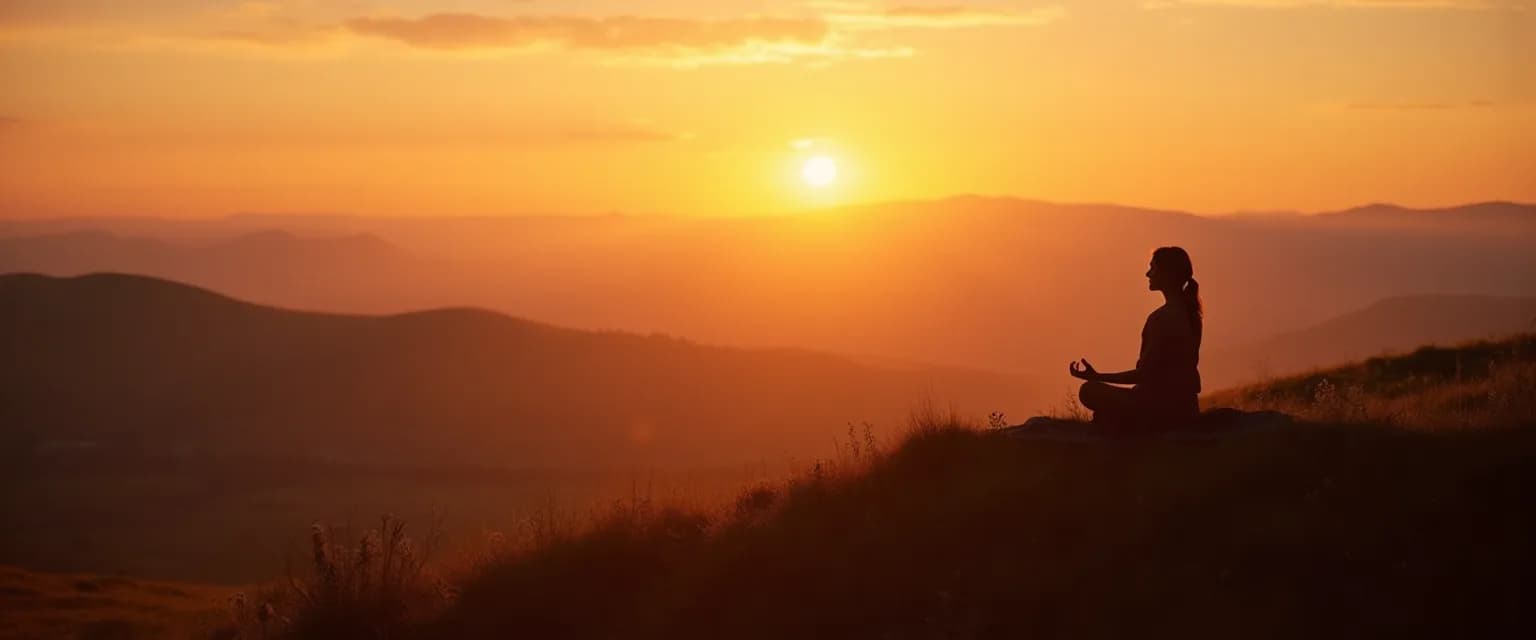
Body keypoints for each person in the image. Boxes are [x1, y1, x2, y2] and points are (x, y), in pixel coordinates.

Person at [1069, 246, 1202, 433]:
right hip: (1187, 407)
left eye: (1153, 268)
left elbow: (1144, 375)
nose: (1148, 273)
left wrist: (1097, 377)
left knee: (1089, 390)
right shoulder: (1192, 315)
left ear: (1167, 274)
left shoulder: (1161, 318)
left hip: (1160, 409)